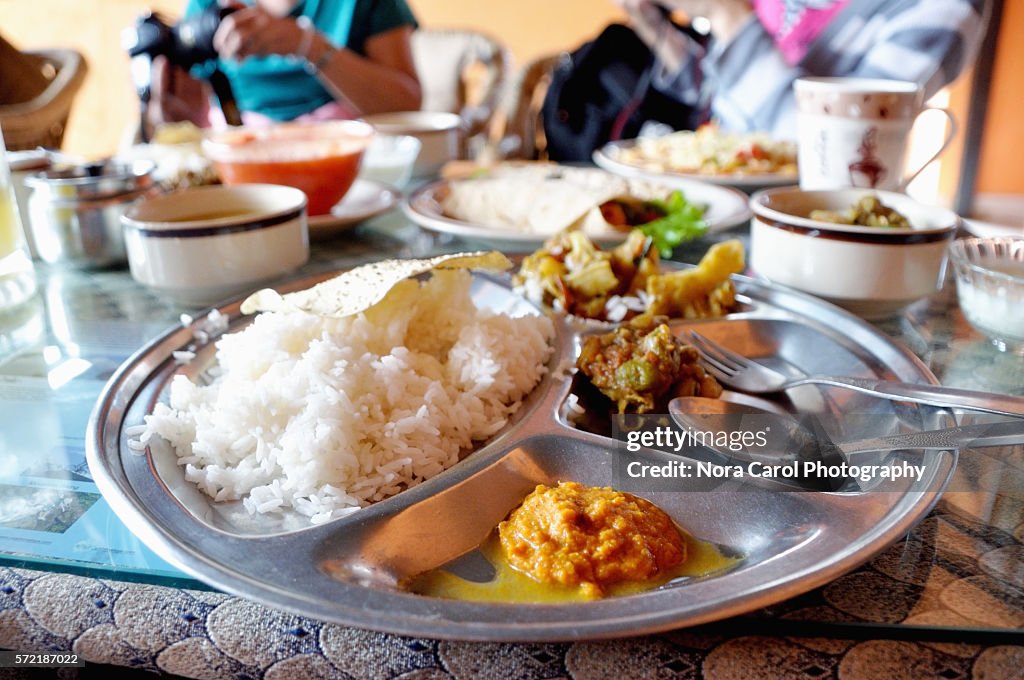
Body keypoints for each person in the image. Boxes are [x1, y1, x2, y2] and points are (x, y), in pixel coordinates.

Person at [615, 0, 992, 138]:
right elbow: (720, 98)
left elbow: (829, 152)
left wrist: (724, 13)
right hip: (722, 207)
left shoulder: (941, 8)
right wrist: (651, 24)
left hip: (818, 241)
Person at [146, 0, 421, 132]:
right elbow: (173, 116)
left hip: (352, 164)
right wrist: (172, 113)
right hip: (241, 161)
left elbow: (406, 108)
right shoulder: (205, 7)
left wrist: (308, 45)